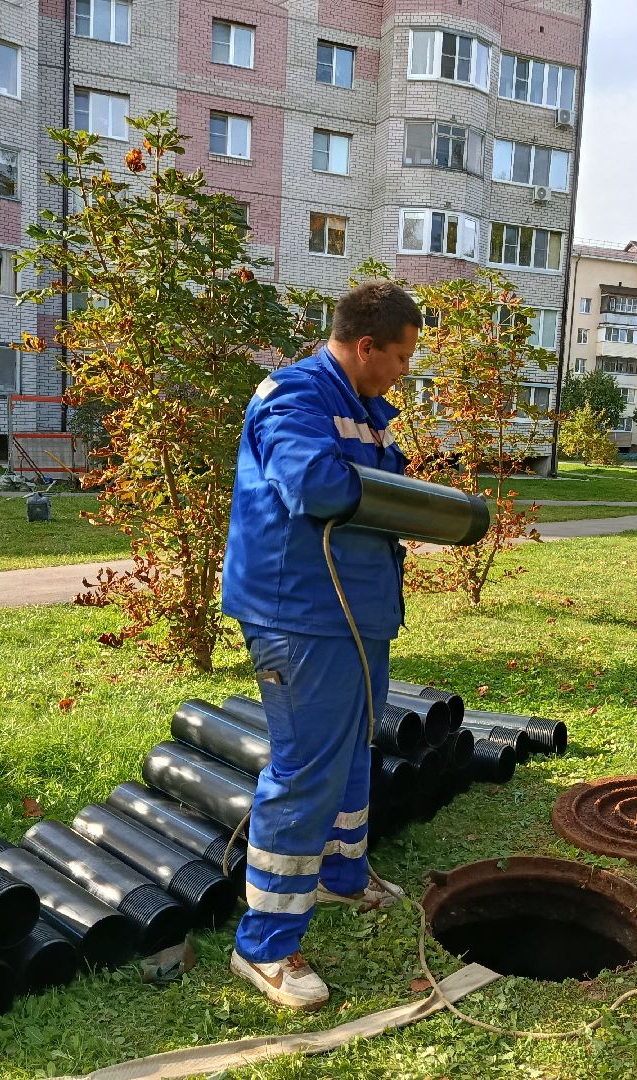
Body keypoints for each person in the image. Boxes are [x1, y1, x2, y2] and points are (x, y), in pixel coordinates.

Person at [220, 281, 423, 1011]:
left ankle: (342, 874)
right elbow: (314, 486)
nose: (404, 370)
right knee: (306, 769)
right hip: (300, 614)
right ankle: (265, 947)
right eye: (400, 357)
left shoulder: (364, 409)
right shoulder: (292, 394)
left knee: (353, 748)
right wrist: (409, 500)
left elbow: (372, 486)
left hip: (355, 611)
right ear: (365, 345)